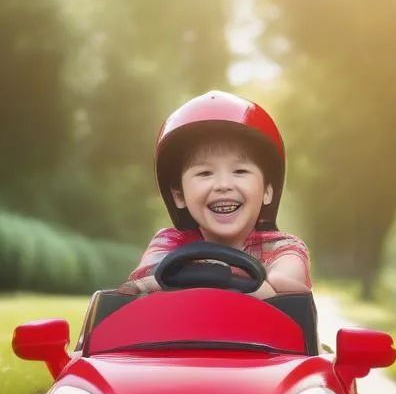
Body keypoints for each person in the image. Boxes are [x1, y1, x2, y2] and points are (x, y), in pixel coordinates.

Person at [118, 90, 311, 300]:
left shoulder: (283, 248)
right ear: (179, 196)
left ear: (267, 192)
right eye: (205, 173)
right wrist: (233, 281)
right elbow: (142, 284)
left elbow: (285, 286)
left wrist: (209, 277)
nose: (223, 184)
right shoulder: (169, 243)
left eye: (240, 171)